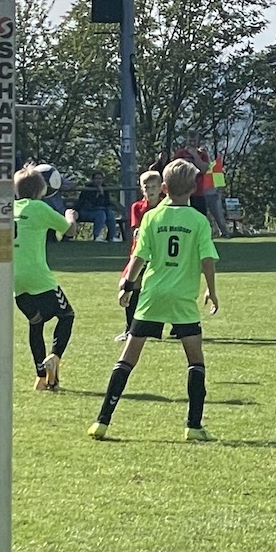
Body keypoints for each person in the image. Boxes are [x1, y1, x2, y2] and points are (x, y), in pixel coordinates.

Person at [89, 159, 220, 442]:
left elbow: (139, 256)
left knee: (127, 358)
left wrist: (127, 284)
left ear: (163, 188)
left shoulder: (151, 217)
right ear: (193, 188)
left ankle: (102, 421)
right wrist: (212, 290)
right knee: (195, 360)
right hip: (182, 298)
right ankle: (193, 426)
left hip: (152, 295)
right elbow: (207, 260)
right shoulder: (199, 221)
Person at [13, 165, 80, 391]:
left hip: (14, 280)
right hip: (38, 277)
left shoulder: (10, 208)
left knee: (36, 323)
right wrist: (70, 216)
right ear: (41, 190)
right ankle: (55, 356)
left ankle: (42, 378)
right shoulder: (39, 207)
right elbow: (69, 231)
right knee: (67, 315)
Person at [114, 169, 165, 342]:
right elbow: (138, 231)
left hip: (159, 255)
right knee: (127, 286)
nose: (150, 191)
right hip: (140, 253)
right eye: (146, 187)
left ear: (161, 188)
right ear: (141, 188)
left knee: (161, 289)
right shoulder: (137, 207)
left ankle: (176, 326)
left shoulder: (166, 207)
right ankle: (130, 329)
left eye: (154, 187)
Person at [76, 170, 122, 242]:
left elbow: (106, 202)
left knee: (110, 213)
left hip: (100, 210)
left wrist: (102, 195)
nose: (98, 180)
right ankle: (96, 236)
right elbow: (90, 204)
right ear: (93, 179)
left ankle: (111, 237)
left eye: (100, 178)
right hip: (86, 211)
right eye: (96, 178)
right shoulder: (87, 188)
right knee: (100, 214)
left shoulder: (104, 188)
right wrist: (98, 194)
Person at [173, 136, 211, 215]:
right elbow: (175, 170)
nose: (192, 143)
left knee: (201, 216)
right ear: (186, 141)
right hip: (183, 192)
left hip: (198, 193)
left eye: (194, 141)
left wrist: (195, 155)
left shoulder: (202, 154)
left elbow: (204, 169)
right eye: (190, 141)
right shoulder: (180, 153)